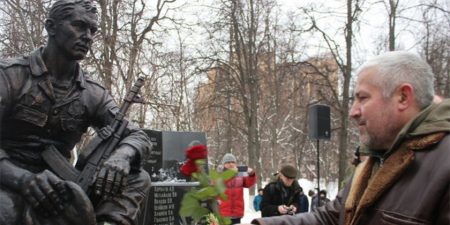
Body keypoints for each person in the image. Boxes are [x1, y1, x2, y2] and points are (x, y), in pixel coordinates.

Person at [241, 51, 450, 225]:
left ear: (403, 97)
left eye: (363, 98)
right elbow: (330, 218)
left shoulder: (443, 164)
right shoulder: (373, 161)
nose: (353, 112)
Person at [0, 1, 151, 225]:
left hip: (61, 187)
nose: (88, 36)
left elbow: (137, 136)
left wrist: (122, 157)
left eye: (92, 30)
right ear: (51, 27)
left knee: (137, 177)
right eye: (79, 26)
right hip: (9, 178)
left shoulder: (92, 93)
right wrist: (22, 179)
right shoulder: (10, 77)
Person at [218, 153, 257, 224]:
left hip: (237, 212)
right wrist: (230, 173)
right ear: (224, 164)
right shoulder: (219, 173)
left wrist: (252, 174)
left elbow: (248, 183)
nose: (231, 164)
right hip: (223, 213)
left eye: (233, 162)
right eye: (228, 162)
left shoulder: (240, 174)